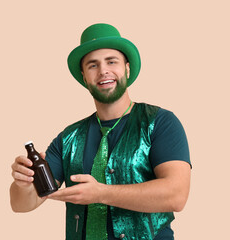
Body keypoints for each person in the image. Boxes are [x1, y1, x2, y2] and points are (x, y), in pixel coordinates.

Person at [10, 23, 191, 240]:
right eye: (93, 65)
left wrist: (102, 194)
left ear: (127, 68)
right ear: (84, 76)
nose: (103, 70)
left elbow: (177, 195)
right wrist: (23, 183)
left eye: (111, 61)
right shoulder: (68, 138)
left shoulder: (160, 122)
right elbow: (22, 205)